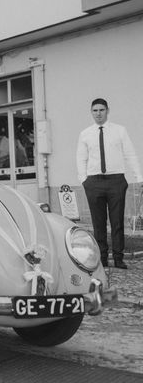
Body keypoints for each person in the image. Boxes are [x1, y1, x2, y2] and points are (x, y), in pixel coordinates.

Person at [76, 98, 142, 270]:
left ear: (107, 110)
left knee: (117, 222)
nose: (98, 113)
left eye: (101, 110)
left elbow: (130, 154)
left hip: (116, 181)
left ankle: (119, 258)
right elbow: (81, 158)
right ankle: (102, 258)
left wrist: (139, 177)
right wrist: (84, 180)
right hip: (94, 182)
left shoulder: (120, 131)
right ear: (91, 112)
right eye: (95, 110)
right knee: (98, 223)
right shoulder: (85, 134)